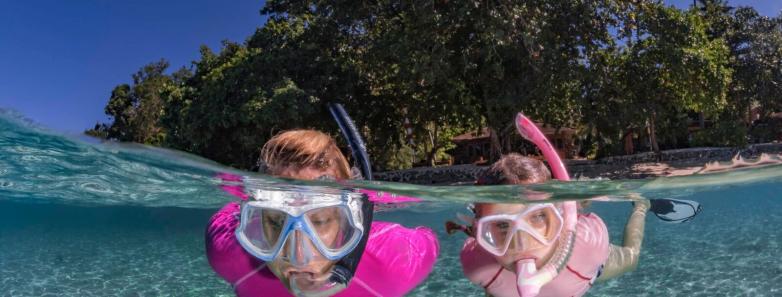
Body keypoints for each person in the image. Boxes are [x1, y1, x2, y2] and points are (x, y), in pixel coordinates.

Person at [206, 129, 438, 297]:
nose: (298, 256)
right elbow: (226, 215)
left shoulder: (391, 262)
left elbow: (428, 237)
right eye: (276, 222)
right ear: (258, 220)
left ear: (345, 220)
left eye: (320, 221)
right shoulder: (230, 255)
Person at [456, 153, 649, 297]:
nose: (522, 243)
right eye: (502, 226)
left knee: (632, 259)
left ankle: (641, 205)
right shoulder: (477, 265)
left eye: (538, 217)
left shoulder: (588, 245)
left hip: (587, 270)